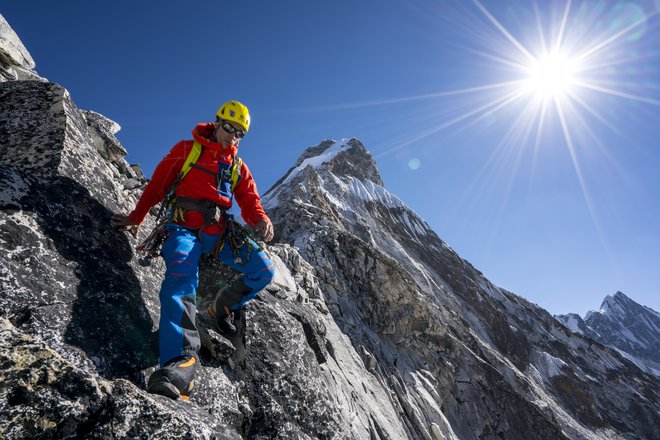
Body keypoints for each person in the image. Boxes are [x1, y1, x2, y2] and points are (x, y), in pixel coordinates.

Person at [111, 100, 275, 400]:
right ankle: (180, 363)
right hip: (182, 228)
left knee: (264, 270)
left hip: (219, 234)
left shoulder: (236, 167)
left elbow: (250, 202)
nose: (233, 136)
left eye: (240, 133)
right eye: (229, 128)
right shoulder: (188, 150)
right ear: (217, 123)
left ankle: (217, 309)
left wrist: (261, 219)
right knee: (180, 279)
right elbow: (158, 185)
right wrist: (136, 217)